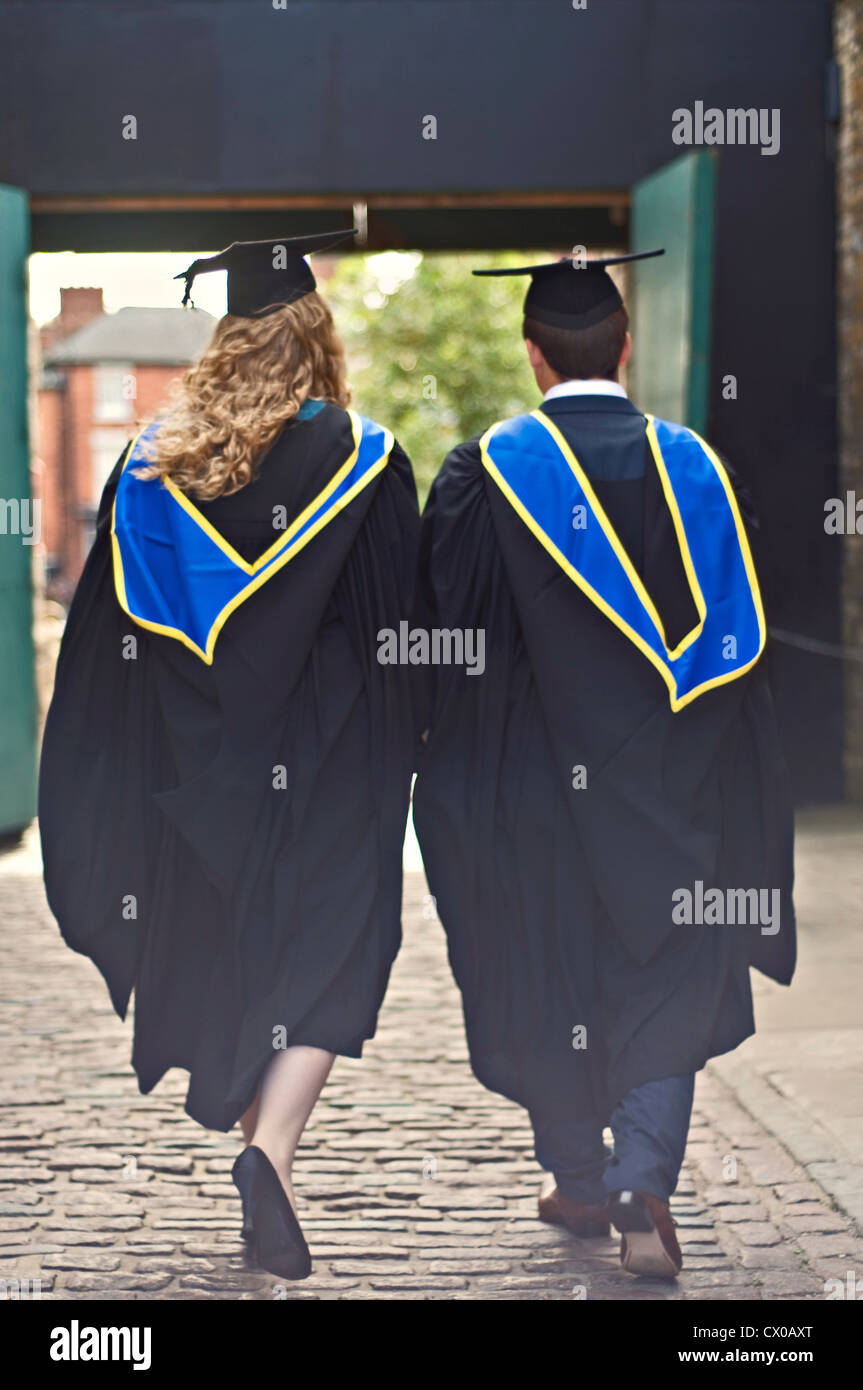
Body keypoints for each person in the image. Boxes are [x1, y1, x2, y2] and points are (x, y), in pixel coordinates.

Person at [39, 230, 421, 1280]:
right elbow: (401, 631)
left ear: (226, 343)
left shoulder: (148, 467)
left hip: (192, 783)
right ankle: (272, 1152)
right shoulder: (370, 460)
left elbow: (102, 651)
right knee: (332, 956)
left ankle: (263, 1159)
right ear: (316, 341)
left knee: (235, 950)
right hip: (332, 771)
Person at [412, 247, 796, 1279]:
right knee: (666, 963)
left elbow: (446, 636)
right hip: (676, 788)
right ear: (623, 349)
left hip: (527, 796)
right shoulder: (698, 469)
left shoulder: (479, 473)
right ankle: (640, 1177)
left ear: (532, 356)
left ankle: (578, 1175)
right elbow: (741, 651)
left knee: (541, 971)